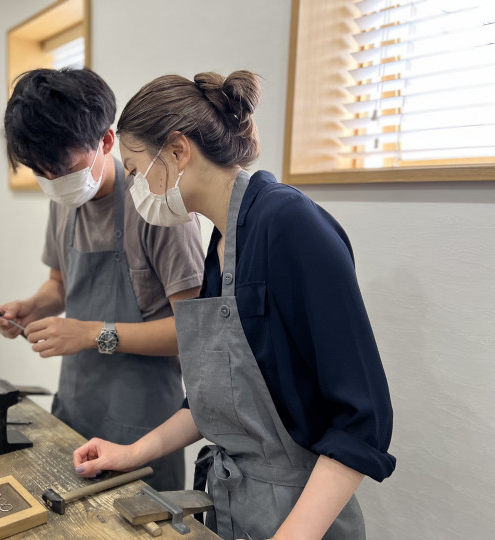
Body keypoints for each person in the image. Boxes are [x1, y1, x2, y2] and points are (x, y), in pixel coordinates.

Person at [73, 71, 396, 540]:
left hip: (299, 515)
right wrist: (131, 452)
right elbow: (213, 401)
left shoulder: (288, 224)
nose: (135, 185)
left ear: (179, 150)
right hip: (232, 509)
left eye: (136, 169)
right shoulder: (223, 241)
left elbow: (363, 419)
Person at [0, 68, 205, 491]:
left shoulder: (157, 206)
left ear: (106, 141)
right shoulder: (65, 199)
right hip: (76, 409)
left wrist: (92, 333)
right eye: (41, 171)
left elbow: (195, 333)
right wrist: (31, 308)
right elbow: (60, 284)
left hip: (143, 428)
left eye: (63, 167)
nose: (53, 182)